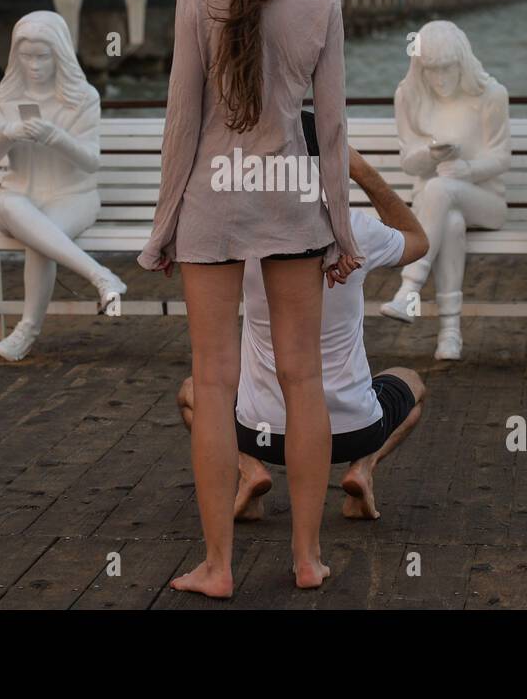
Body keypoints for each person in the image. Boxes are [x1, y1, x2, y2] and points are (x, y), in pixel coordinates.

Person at [137, 0, 363, 598]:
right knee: (305, 378)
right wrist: (343, 230)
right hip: (292, 197)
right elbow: (330, 132)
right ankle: (306, 556)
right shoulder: (320, 1)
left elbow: (182, 123)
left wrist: (162, 226)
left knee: (214, 379)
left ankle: (219, 565)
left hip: (214, 199)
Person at [178, 119, 429, 522]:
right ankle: (362, 467)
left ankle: (251, 469)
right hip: (352, 432)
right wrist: (361, 171)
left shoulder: (240, 234)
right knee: (411, 383)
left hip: (261, 433)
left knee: (194, 391)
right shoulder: (356, 232)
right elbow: (418, 240)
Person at [0, 11, 127, 362]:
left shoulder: (82, 98)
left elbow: (91, 161)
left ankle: (27, 330)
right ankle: (101, 276)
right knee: (12, 207)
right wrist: (7, 133)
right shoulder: (3, 96)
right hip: (19, 196)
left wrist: (57, 137)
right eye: (26, 56)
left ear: (59, 54)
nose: (34, 65)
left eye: (42, 56)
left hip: (72, 196)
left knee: (41, 241)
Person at [379, 21, 510, 360]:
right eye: (431, 70)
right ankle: (450, 334)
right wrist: (429, 155)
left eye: (447, 69)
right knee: (449, 221)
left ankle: (410, 288)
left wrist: (468, 169)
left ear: (462, 62)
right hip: (434, 207)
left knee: (441, 189)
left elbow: (500, 157)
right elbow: (409, 160)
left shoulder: (490, 95)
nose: (440, 79)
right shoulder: (408, 96)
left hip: (486, 202)